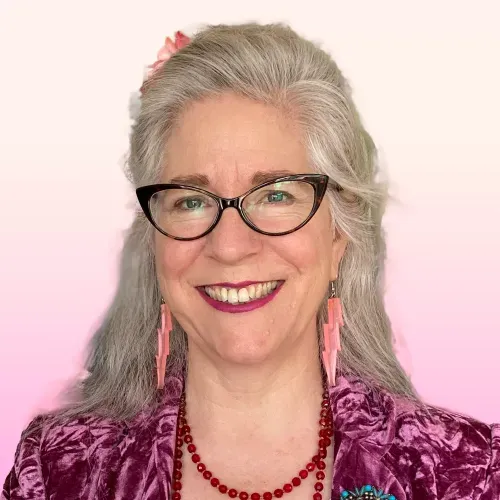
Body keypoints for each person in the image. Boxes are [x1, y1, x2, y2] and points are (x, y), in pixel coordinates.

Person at [2, 23, 498, 500]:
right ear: (154, 241)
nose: (230, 246)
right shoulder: (59, 470)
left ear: (339, 235)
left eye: (276, 195)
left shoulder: (468, 474)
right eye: (190, 201)